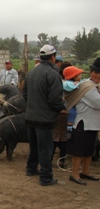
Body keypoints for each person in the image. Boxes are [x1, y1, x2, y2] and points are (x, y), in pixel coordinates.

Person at [23, 44, 65, 186]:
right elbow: (55, 99)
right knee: (45, 148)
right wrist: (60, 108)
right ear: (53, 57)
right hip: (45, 119)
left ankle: (31, 169)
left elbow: (25, 94)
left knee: (34, 146)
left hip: (30, 117)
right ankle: (46, 177)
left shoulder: (31, 73)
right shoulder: (53, 74)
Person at [64, 58, 100, 185]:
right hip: (82, 123)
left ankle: (85, 171)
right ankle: (74, 174)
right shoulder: (88, 88)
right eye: (95, 72)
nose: (97, 75)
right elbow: (98, 103)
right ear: (91, 72)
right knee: (79, 151)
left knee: (89, 150)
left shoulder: (93, 86)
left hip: (91, 124)